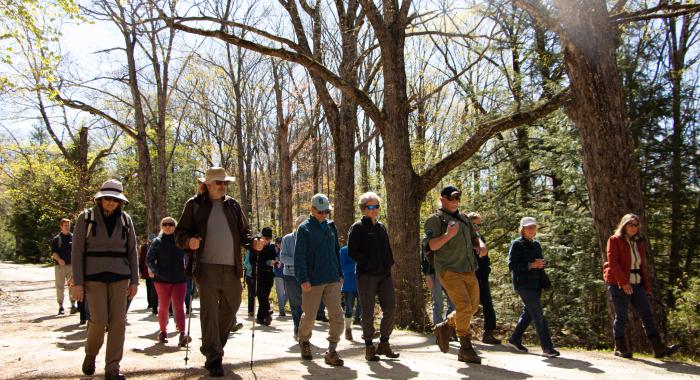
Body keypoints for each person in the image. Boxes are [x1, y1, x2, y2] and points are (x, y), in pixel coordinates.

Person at [174, 167, 263, 377]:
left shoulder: (232, 205)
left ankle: (213, 346)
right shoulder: (194, 205)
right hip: (206, 267)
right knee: (209, 312)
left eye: (225, 183)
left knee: (232, 306)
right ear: (206, 185)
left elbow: (245, 233)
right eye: (218, 183)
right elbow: (180, 233)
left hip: (232, 266)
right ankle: (214, 356)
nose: (223, 186)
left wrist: (254, 243)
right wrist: (189, 242)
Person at [71, 179, 138, 380]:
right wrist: (77, 282)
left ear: (120, 202)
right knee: (98, 321)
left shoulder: (126, 220)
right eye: (107, 198)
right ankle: (90, 355)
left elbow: (132, 251)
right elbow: (77, 252)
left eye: (115, 200)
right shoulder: (86, 218)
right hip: (93, 277)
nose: (110, 202)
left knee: (118, 322)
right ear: (100, 199)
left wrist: (135, 280)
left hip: (120, 276)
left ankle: (112, 368)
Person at [603, 213, 679, 359]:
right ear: (624, 225)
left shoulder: (638, 242)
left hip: (638, 284)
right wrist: (624, 283)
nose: (633, 227)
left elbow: (642, 266)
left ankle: (658, 348)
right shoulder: (614, 240)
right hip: (618, 283)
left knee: (647, 315)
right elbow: (613, 263)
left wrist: (647, 287)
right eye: (630, 224)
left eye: (636, 225)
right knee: (622, 316)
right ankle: (620, 347)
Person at [424, 185, 485, 364]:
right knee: (465, 306)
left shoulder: (465, 218)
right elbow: (432, 246)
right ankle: (465, 347)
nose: (454, 201)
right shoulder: (435, 220)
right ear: (442, 199)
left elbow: (475, 236)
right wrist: (448, 235)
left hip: (468, 268)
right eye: (451, 198)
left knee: (472, 308)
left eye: (457, 198)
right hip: (448, 270)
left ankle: (445, 325)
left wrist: (480, 244)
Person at [348, 192, 399, 361]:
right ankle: (369, 346)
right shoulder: (358, 227)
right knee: (367, 312)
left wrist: (389, 263)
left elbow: (387, 249)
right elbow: (352, 252)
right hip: (366, 276)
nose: (375, 209)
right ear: (363, 209)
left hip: (384, 275)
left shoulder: (381, 226)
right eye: (371, 206)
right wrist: (368, 263)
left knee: (390, 307)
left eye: (377, 206)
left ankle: (384, 343)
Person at [295, 193, 345, 366]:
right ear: (312, 210)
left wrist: (339, 273)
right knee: (309, 316)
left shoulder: (331, 226)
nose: (324, 215)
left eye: (327, 212)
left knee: (337, 316)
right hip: (312, 280)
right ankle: (304, 340)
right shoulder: (304, 229)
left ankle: (331, 351)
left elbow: (336, 251)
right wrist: (303, 278)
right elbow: (299, 256)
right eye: (321, 212)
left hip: (332, 278)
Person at [506, 217, 560, 357]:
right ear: (522, 229)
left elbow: (538, 263)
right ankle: (547, 348)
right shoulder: (517, 244)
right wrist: (531, 265)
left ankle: (514, 339)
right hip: (523, 284)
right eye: (528, 227)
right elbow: (512, 266)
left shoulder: (536, 244)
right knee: (538, 315)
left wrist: (540, 265)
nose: (531, 230)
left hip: (536, 283)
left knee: (529, 313)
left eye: (533, 227)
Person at [146, 217, 190, 347]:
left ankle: (182, 334)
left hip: (179, 279)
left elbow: (190, 256)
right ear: (161, 226)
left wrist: (188, 270)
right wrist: (158, 271)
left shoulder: (180, 241)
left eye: (171, 224)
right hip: (162, 280)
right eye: (165, 224)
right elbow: (149, 259)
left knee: (179, 306)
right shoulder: (157, 242)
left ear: (175, 226)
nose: (168, 226)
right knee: (164, 306)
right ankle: (163, 331)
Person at [468, 212, 500, 345]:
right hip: (469, 275)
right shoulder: (464, 238)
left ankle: (488, 333)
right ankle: (454, 329)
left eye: (479, 226)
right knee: (466, 305)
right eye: (474, 225)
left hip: (482, 275)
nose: (477, 228)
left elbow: (486, 257)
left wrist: (486, 269)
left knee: (488, 304)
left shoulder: (481, 239)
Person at [280, 215, 307, 341]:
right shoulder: (287, 239)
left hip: (306, 276)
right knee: (295, 304)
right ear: (297, 225)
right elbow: (283, 257)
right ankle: (297, 328)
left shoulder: (310, 239)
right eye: (302, 224)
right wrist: (298, 261)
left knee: (307, 305)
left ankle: (305, 330)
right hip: (290, 276)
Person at [420, 239, 455, 326]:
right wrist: (427, 276)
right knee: (438, 303)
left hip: (448, 273)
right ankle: (439, 329)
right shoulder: (427, 239)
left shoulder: (448, 235)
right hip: (433, 273)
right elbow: (424, 259)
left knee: (453, 302)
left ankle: (449, 327)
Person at [252, 227, 277, 326]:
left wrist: (274, 262)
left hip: (269, 274)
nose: (267, 240)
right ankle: (266, 314)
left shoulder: (271, 247)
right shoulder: (256, 245)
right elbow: (252, 260)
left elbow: (274, 257)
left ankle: (259, 317)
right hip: (259, 274)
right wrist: (265, 263)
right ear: (261, 236)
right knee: (261, 294)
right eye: (265, 238)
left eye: (269, 238)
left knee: (265, 295)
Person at [51, 218, 75, 315]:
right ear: (61, 226)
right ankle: (61, 306)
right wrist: (59, 259)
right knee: (60, 286)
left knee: (72, 285)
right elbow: (53, 253)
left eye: (68, 225)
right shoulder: (57, 239)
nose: (67, 227)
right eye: (65, 225)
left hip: (72, 265)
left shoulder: (74, 237)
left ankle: (73, 304)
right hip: (60, 267)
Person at [339, 238, 361, 340]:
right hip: (349, 284)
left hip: (363, 284)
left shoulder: (363, 249)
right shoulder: (343, 251)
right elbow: (343, 268)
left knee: (364, 308)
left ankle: (364, 328)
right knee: (348, 308)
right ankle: (348, 330)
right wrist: (357, 265)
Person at [138, 236, 158, 314]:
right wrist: (140, 270)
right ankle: (150, 303)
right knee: (150, 287)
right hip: (147, 271)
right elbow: (141, 259)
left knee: (152, 288)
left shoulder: (157, 246)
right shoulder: (144, 247)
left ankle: (152, 304)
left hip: (153, 271)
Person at [273, 237, 287, 317]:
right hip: (278, 275)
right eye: (280, 243)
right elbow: (276, 264)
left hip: (287, 274)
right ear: (277, 244)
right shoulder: (275, 252)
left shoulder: (286, 251)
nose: (282, 244)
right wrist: (277, 262)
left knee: (288, 293)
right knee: (280, 293)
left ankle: (281, 306)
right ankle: (281, 310)